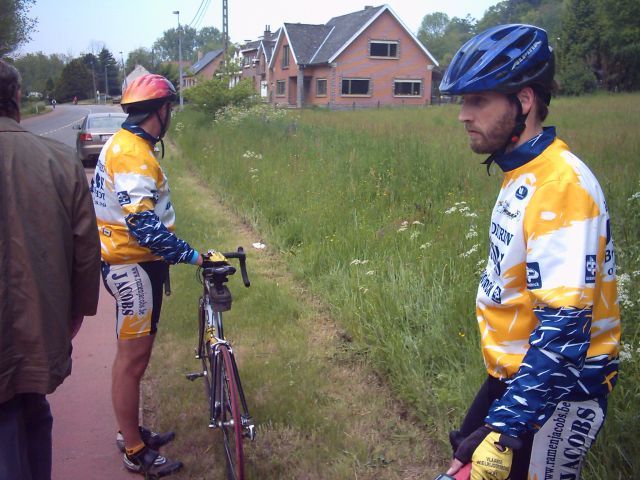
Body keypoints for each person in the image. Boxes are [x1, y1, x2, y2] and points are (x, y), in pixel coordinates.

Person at [439, 24, 621, 480]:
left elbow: (564, 330)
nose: (463, 115)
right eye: (463, 101)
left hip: (558, 389)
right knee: (460, 461)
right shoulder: (525, 171)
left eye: (477, 100)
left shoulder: (561, 187)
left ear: (523, 102)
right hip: (517, 376)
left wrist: (506, 432)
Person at [91, 73, 205, 477]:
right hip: (132, 267)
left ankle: (131, 430)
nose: (169, 114)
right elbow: (144, 226)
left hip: (131, 264)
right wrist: (194, 257)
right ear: (161, 110)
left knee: (133, 358)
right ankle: (135, 450)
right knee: (132, 361)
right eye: (169, 108)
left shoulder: (126, 145)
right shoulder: (133, 154)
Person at [0, 60, 101, 479]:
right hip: (40, 321)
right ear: (18, 98)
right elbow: (85, 248)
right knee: (31, 409)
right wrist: (76, 311)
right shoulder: (60, 161)